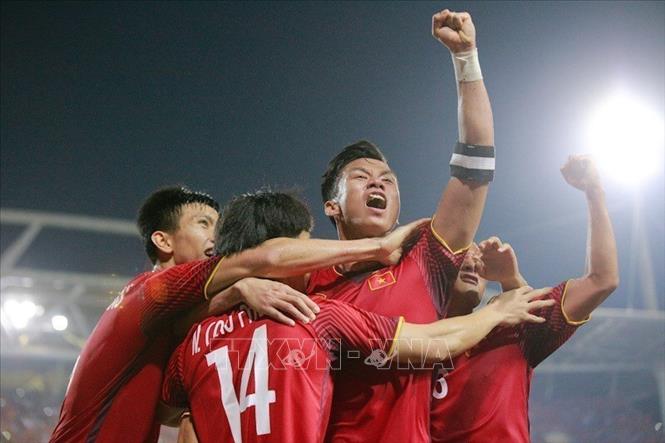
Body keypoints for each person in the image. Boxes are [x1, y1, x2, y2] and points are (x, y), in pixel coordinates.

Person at [161, 190, 555, 443]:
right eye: (305, 248)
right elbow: (432, 343)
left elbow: (172, 418)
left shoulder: (192, 342)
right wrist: (497, 312)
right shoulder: (314, 316)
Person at [49, 186, 428, 443]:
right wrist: (378, 246)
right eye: (202, 224)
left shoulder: (172, 322)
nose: (216, 237)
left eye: (218, 224)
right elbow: (264, 257)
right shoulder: (152, 292)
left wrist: (235, 291)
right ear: (163, 241)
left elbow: (164, 408)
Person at [307, 9, 494, 441]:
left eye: (387, 180)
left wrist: (466, 57)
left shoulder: (424, 260)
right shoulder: (301, 280)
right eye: (360, 177)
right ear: (332, 208)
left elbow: (474, 170)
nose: (378, 182)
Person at [430, 155, 619, 442]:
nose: (471, 263)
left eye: (477, 261)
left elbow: (602, 280)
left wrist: (594, 191)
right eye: (461, 259)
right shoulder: (411, 336)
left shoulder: (513, 325)